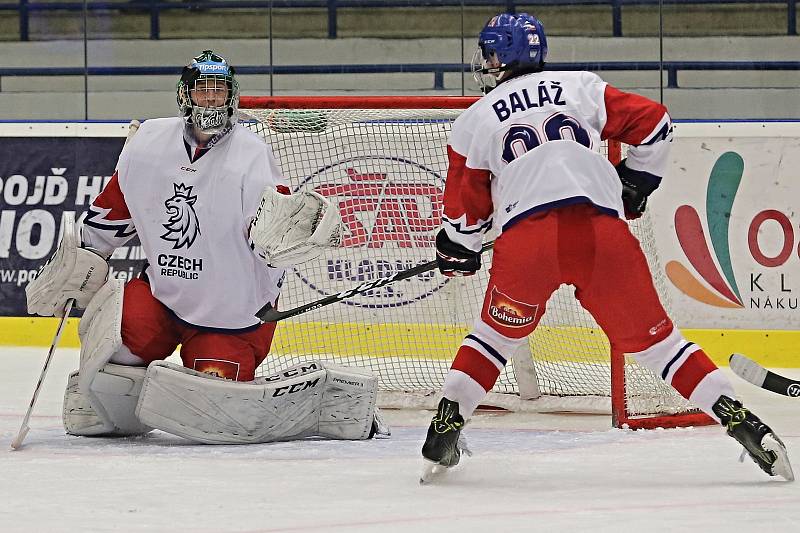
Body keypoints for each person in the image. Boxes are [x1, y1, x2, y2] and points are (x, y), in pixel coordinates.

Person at [420, 14, 792, 482]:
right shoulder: (579, 86)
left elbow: (465, 208)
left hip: (527, 242)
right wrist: (635, 183)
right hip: (601, 231)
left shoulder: (474, 119)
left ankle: (447, 423)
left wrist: (459, 247)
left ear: (498, 58)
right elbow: (655, 123)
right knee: (661, 346)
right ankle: (743, 421)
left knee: (494, 337)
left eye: (489, 53)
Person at [25, 50, 388, 444]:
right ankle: (116, 401)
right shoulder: (147, 143)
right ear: (186, 95)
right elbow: (112, 213)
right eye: (204, 89)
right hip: (164, 297)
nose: (212, 98)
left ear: (231, 97)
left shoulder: (251, 155)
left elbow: (274, 234)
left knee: (215, 401)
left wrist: (294, 235)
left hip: (231, 316)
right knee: (114, 352)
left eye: (220, 89)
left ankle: (316, 406)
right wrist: (77, 263)